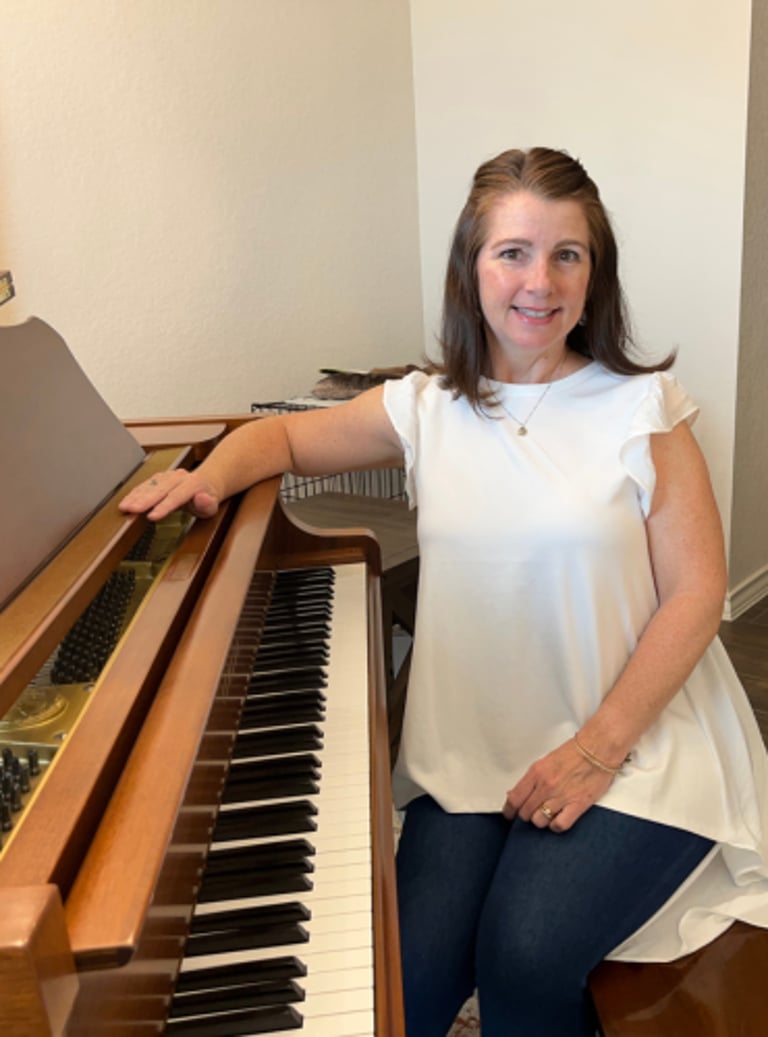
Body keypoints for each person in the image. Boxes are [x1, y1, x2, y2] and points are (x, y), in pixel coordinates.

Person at [120, 147, 768, 1036]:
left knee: (524, 949)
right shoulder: (425, 406)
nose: (539, 281)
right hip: (472, 748)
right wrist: (201, 481)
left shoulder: (645, 405)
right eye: (513, 252)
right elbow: (278, 443)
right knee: (408, 980)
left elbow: (697, 594)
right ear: (471, 268)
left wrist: (595, 749)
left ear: (594, 273)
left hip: (635, 739)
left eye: (567, 254)